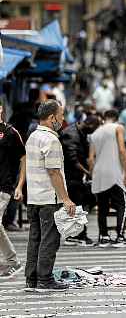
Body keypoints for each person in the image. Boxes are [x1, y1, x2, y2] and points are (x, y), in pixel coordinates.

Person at [25, 100, 76, 292]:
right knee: (49, 240)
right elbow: (54, 172)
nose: (63, 119)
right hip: (48, 199)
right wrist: (66, 199)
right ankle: (45, 280)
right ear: (52, 117)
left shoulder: (32, 137)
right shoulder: (51, 140)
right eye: (61, 115)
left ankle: (32, 279)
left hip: (34, 198)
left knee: (35, 239)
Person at [89, 110, 126, 248]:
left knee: (102, 206)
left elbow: (91, 158)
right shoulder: (118, 128)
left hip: (98, 173)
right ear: (116, 118)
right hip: (113, 172)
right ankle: (120, 237)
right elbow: (122, 150)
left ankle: (104, 236)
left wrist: (92, 174)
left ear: (104, 118)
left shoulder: (95, 133)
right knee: (122, 204)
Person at [60, 115, 100, 246]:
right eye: (94, 128)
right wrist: (88, 172)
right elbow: (73, 159)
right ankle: (78, 235)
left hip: (75, 177)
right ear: (89, 125)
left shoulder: (80, 132)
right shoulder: (71, 134)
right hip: (70, 176)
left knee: (80, 203)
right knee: (77, 205)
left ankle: (76, 234)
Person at [0, 99, 25, 277]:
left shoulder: (10, 132)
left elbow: (24, 159)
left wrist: (20, 185)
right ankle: (11, 260)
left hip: (4, 186)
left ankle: (12, 261)